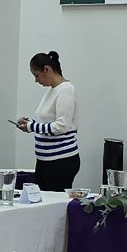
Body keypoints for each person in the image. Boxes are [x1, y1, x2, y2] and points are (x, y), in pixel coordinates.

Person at [14, 52, 80, 191]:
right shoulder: (53, 90)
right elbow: (47, 123)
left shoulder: (66, 90)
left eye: (36, 75)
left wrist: (31, 126)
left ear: (47, 70)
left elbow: (61, 126)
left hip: (60, 161)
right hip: (46, 161)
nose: (36, 80)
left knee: (53, 200)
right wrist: (28, 123)